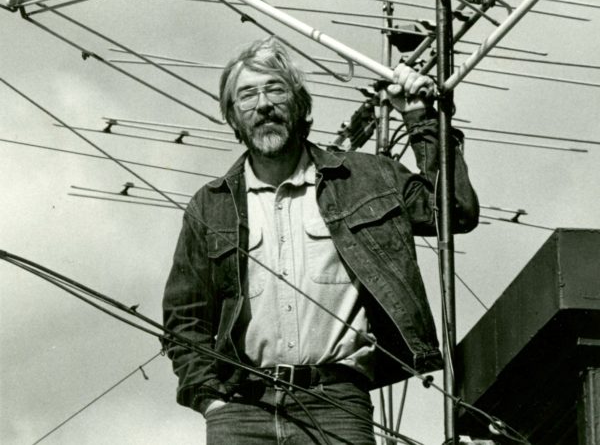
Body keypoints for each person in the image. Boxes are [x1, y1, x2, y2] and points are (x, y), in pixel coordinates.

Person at [163, 36, 479, 445]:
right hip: (241, 410)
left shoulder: (366, 178)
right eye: (247, 96)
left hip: (337, 405)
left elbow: (455, 210)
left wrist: (419, 118)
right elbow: (183, 318)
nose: (263, 105)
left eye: (275, 89)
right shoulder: (210, 206)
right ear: (233, 117)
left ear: (300, 104)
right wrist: (211, 400)